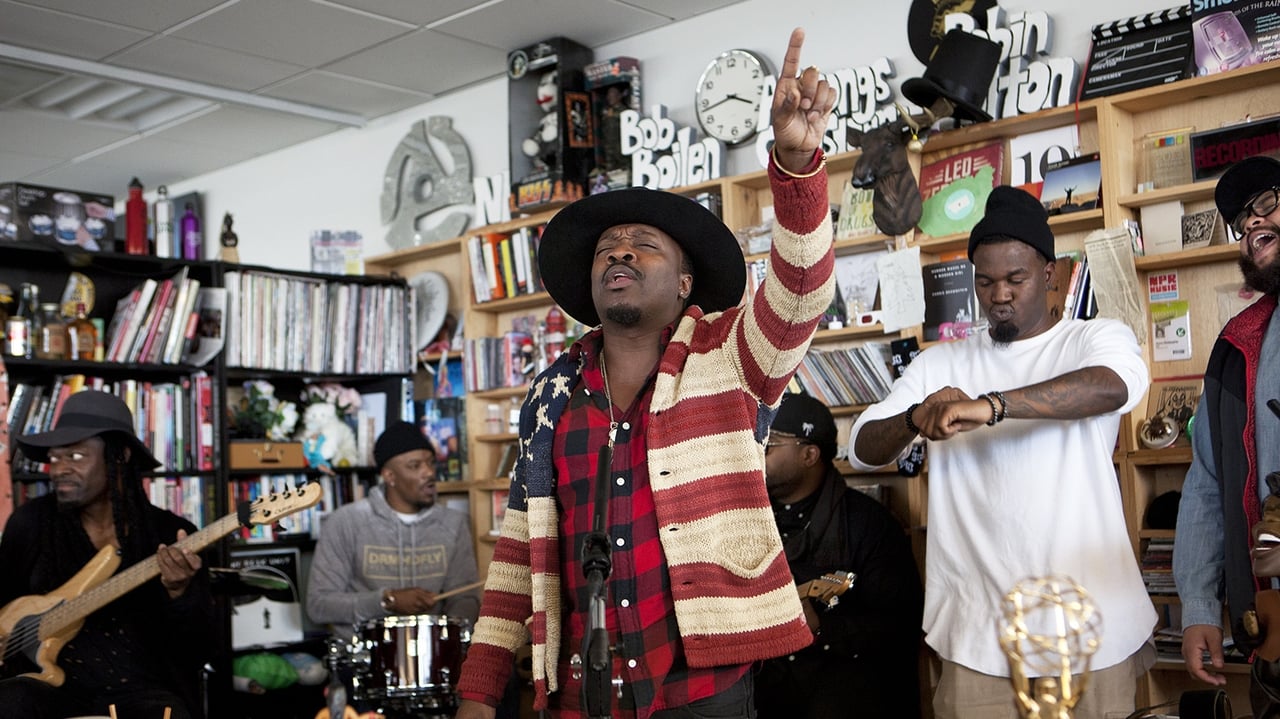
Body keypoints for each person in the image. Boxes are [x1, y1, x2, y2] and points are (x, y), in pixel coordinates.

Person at [454, 26, 837, 719]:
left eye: (643, 246)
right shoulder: (551, 393)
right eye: (608, 248)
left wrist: (795, 163)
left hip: (701, 691)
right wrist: (479, 691)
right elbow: (518, 548)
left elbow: (802, 286)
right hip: (579, 694)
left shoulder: (732, 357)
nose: (620, 253)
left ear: (686, 281)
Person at [847, 185, 1155, 719]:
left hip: (1091, 629)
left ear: (1051, 274)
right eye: (986, 282)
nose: (1000, 295)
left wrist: (991, 407)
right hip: (977, 636)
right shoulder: (941, 364)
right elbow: (860, 449)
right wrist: (913, 416)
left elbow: (1114, 387)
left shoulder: (1093, 339)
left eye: (1016, 279)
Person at [0, 390, 215, 719]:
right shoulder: (31, 524)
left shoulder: (172, 535)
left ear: (120, 456)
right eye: (55, 458)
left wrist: (180, 592)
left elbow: (198, 647)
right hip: (53, 690)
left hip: (142, 692)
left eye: (76, 456)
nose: (59, 469)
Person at [1173, 155, 1280, 715]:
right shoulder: (1235, 348)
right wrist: (1196, 607)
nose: (1252, 225)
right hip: (1272, 637)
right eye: (1241, 222)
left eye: (1268, 201)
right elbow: (1208, 484)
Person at [755, 392, 923, 719]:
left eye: (769, 445)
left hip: (843, 694)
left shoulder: (869, 525)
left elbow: (901, 627)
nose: (756, 453)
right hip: (763, 695)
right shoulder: (744, 521)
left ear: (810, 455)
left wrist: (822, 627)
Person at [306, 420, 480, 635]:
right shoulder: (345, 522)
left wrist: (449, 632)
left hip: (435, 655)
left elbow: (466, 598)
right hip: (365, 659)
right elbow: (319, 605)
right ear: (390, 476)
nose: (429, 473)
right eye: (415, 466)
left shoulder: (454, 523)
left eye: (430, 463)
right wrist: (387, 601)